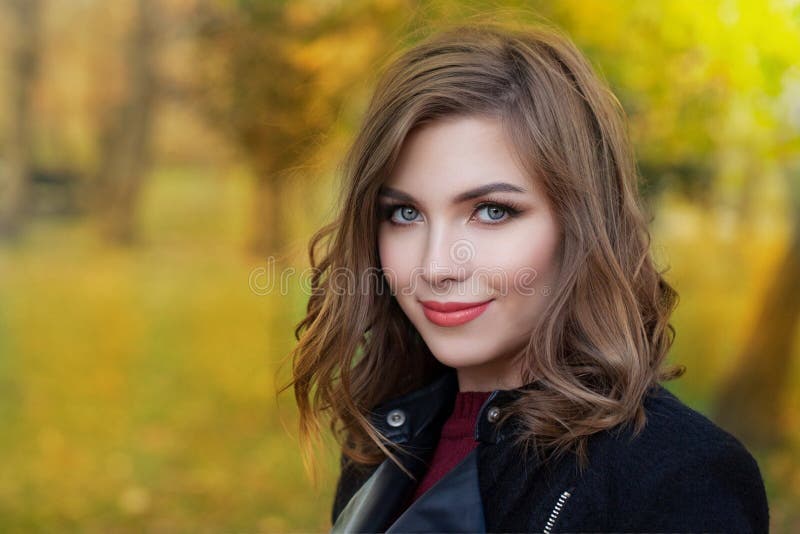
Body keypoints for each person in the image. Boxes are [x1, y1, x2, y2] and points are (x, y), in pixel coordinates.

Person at [284, 21, 770, 533]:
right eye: (405, 214)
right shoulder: (382, 441)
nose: (436, 266)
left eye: (492, 211)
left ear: (580, 225)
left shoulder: (676, 477)